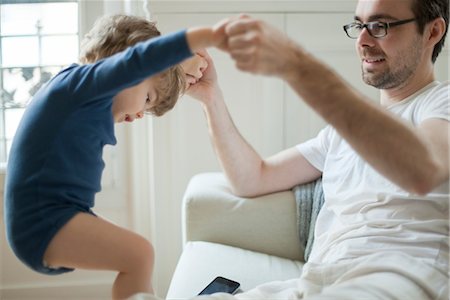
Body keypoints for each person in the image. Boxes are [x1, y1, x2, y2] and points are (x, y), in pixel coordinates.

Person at [180, 0, 449, 299]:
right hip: (320, 279)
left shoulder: (440, 104)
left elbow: (425, 168)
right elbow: (250, 178)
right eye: (359, 25)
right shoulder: (340, 134)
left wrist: (295, 64)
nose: (362, 40)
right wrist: (211, 98)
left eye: (379, 26)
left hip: (398, 274)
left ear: (432, 31)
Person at [3, 14, 226, 300]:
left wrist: (174, 71)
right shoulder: (81, 86)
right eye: (147, 99)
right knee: (139, 255)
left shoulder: (80, 96)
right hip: (43, 219)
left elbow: (139, 66)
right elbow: (136, 62)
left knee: (136, 258)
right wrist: (192, 44)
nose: (137, 116)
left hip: (53, 215)